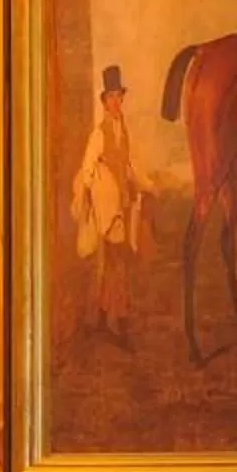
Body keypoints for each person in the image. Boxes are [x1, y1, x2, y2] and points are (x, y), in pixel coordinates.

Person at [69, 64, 142, 344]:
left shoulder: (123, 129)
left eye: (119, 97)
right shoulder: (99, 133)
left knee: (113, 262)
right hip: (106, 207)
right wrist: (85, 197)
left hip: (121, 205)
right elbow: (87, 167)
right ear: (104, 101)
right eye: (111, 97)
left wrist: (145, 186)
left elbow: (131, 163)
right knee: (115, 261)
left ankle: (101, 315)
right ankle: (119, 320)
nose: (116, 102)